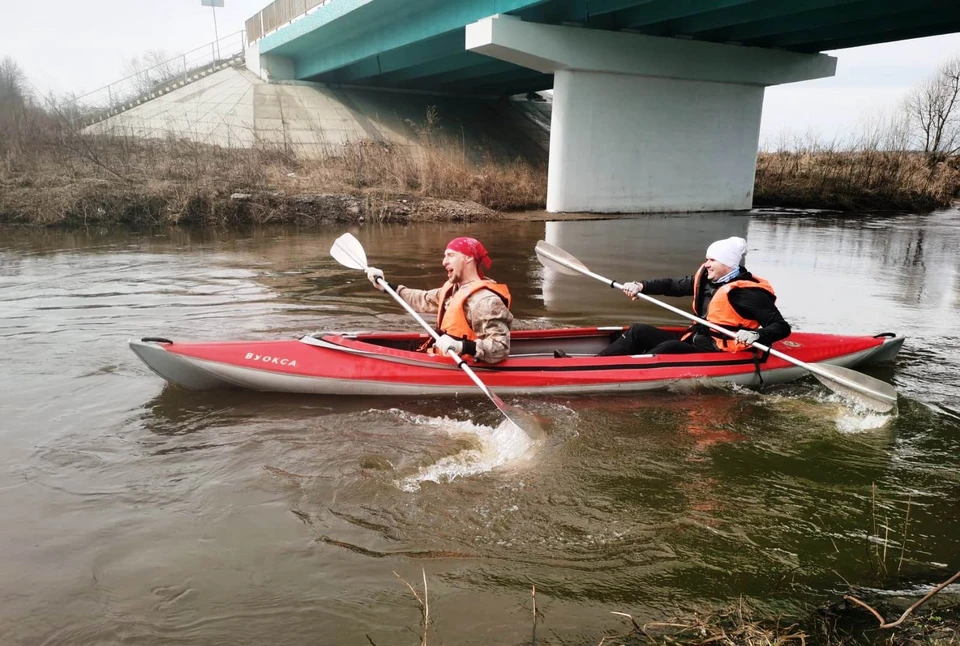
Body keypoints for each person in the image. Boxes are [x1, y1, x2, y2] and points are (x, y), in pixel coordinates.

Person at [598, 236, 790, 356]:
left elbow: (781, 327)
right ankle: (600, 363)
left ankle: (630, 370)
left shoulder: (747, 293)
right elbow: (672, 285)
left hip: (720, 350)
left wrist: (756, 334)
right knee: (638, 331)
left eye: (712, 260)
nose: (706, 264)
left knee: (669, 348)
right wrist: (641, 285)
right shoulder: (707, 279)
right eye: (707, 259)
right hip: (696, 339)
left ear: (728, 263)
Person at [364, 237, 513, 364]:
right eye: (445, 256)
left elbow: (500, 348)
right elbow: (421, 299)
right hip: (444, 357)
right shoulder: (452, 290)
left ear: (468, 258)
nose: (444, 262)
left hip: (467, 364)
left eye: (450, 255)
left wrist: (460, 346)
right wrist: (386, 286)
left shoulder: (486, 301)